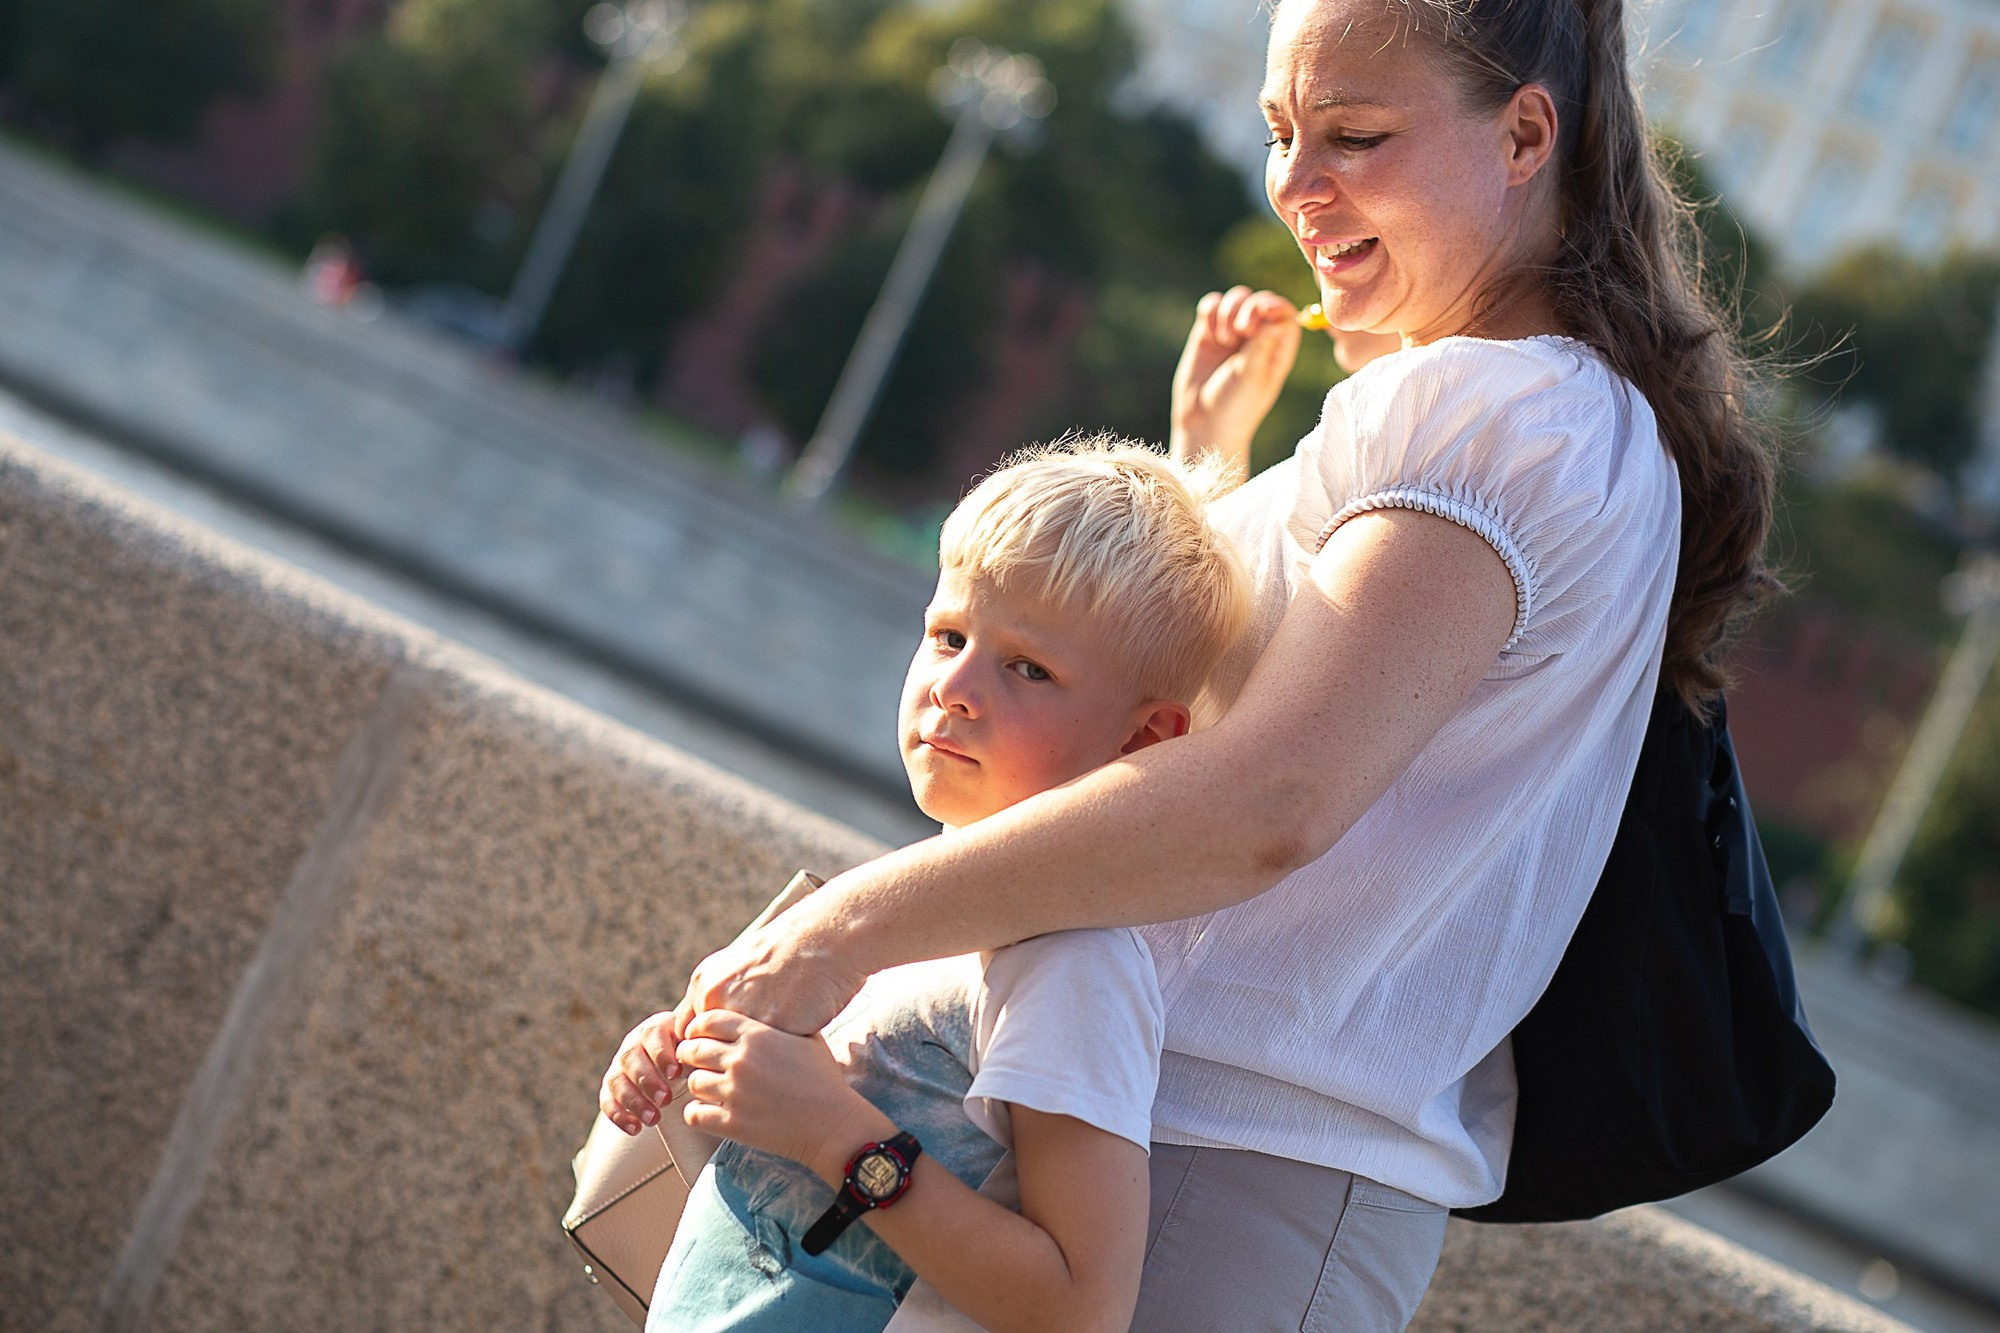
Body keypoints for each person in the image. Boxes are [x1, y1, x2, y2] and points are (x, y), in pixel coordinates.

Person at [610, 0, 1778, 1327]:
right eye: (1282, 130)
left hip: (1227, 1193)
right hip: (1160, 1158)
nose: (1294, 183)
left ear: (1524, 135)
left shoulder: (1497, 414)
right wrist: (1210, 464)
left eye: (1355, 134)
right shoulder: (1536, 413)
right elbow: (1213, 709)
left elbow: (1268, 802)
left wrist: (832, 935)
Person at [614, 438, 1251, 1332]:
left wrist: (827, 1129)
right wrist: (692, 1055)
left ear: (1144, 741)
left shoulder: (1072, 968)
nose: (954, 686)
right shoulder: (906, 918)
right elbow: (791, 1117)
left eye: (1028, 668)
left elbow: (1080, 1304)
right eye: (949, 635)